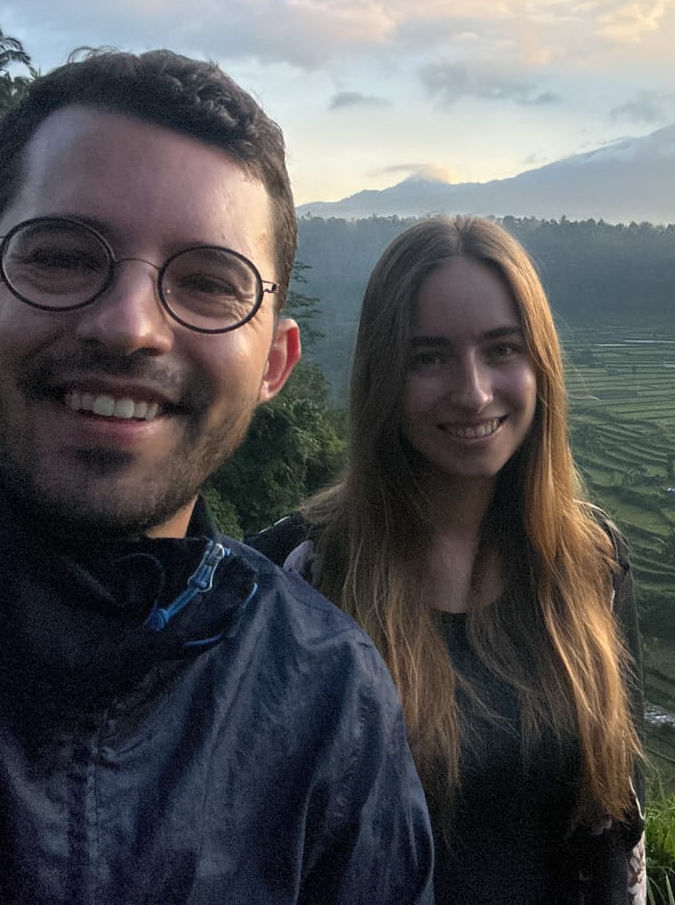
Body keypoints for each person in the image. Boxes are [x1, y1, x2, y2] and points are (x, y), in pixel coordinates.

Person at [0, 49, 434, 904]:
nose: (129, 327)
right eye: (63, 255)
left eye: (208, 283)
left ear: (275, 362)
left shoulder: (330, 700)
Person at [252, 216, 646, 904]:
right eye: (428, 356)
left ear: (540, 364)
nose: (472, 391)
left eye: (501, 349)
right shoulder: (298, 576)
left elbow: (623, 824)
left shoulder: (592, 566)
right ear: (384, 375)